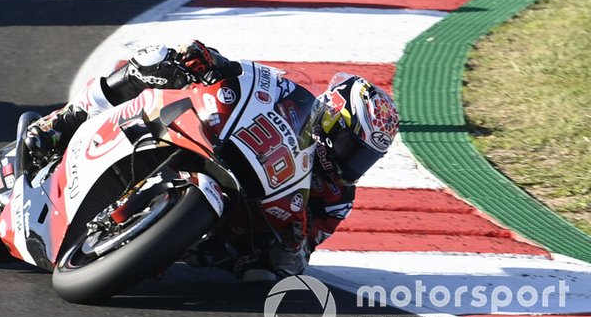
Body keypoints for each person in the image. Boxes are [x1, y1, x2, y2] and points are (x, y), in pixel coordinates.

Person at [23, 41, 400, 281]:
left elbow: (302, 256)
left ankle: (157, 241)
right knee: (155, 60)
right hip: (226, 152)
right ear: (332, 121)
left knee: (267, 275)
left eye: (365, 158)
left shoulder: (338, 197)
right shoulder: (291, 101)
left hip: (239, 221)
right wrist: (212, 64)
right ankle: (63, 121)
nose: (354, 165)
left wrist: (294, 235)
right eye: (354, 148)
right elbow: (252, 82)